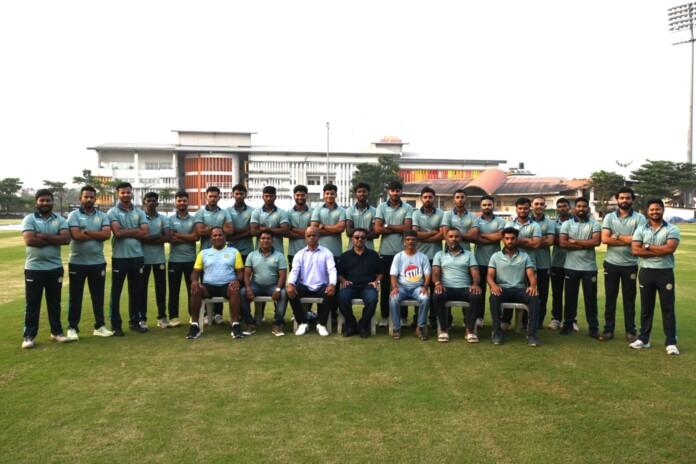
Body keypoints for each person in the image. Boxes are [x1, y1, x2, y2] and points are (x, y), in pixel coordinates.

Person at [21, 189, 71, 348]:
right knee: (32, 304)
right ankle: (29, 336)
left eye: (48, 200)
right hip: (34, 268)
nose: (45, 203)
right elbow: (30, 241)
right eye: (42, 200)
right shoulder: (29, 219)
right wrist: (54, 238)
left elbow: (66, 239)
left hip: (54, 268)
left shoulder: (60, 220)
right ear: (36, 202)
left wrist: (43, 235)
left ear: (52, 202)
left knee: (54, 303)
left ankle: (56, 332)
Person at [630, 198, 681, 355]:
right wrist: (659, 250)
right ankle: (644, 339)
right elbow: (635, 250)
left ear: (663, 210)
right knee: (646, 307)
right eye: (652, 209)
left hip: (664, 272)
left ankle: (671, 342)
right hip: (646, 272)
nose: (655, 212)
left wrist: (647, 246)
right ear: (647, 211)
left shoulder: (672, 229)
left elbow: (669, 249)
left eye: (658, 209)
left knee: (668, 308)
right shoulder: (640, 229)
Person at [66, 185, 113, 341]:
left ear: (95, 199)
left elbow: (106, 235)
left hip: (97, 262)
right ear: (80, 198)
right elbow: (76, 236)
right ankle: (72, 328)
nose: (89, 199)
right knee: (75, 297)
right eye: (86, 197)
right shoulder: (73, 215)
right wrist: (96, 234)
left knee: (98, 296)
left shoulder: (102, 216)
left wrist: (86, 231)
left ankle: (99, 326)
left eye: (92, 197)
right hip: (77, 262)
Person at [599, 187, 646, 342]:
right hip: (611, 264)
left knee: (629, 299)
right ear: (617, 199)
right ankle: (608, 330)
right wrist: (628, 239)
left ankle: (630, 331)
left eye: (628, 198)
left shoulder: (640, 218)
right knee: (610, 298)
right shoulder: (609, 217)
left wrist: (617, 236)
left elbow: (639, 240)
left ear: (632, 200)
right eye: (622, 198)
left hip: (630, 264)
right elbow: (605, 239)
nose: (624, 200)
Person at [187, 227, 244, 340]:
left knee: (234, 289)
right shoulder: (203, 253)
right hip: (208, 286)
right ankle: (194, 325)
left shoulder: (234, 252)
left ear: (225, 237)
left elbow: (240, 272)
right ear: (211, 238)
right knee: (195, 289)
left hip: (227, 285)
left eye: (220, 235)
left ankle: (235, 325)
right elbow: (195, 272)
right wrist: (194, 281)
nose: (217, 237)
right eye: (215, 235)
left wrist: (237, 281)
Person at [487, 227, 541, 346]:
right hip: (503, 289)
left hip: (520, 290)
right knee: (494, 297)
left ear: (517, 239)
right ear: (502, 240)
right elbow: (489, 276)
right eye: (507, 238)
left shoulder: (525, 256)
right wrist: (493, 285)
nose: (510, 241)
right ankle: (496, 333)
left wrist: (533, 286)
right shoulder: (495, 256)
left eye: (512, 238)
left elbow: (531, 274)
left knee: (534, 297)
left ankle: (532, 335)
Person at [107, 182, 149, 336]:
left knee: (136, 292)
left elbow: (145, 233)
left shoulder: (139, 212)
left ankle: (135, 322)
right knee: (116, 292)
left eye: (128, 192)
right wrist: (136, 230)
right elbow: (117, 233)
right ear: (118, 194)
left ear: (132, 193)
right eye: (122, 192)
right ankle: (116, 325)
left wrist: (127, 231)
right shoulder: (112, 212)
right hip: (120, 258)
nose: (126, 195)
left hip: (137, 257)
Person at [559, 197, 601, 338]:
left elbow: (596, 242)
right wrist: (584, 245)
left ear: (588, 208)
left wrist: (575, 241)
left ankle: (593, 328)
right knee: (570, 298)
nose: (581, 209)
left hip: (589, 267)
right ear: (574, 208)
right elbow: (563, 243)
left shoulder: (595, 224)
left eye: (584, 206)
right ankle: (568, 325)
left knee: (591, 299)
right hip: (571, 267)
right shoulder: (567, 224)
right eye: (579, 206)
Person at [432, 228, 483, 343]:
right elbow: (435, 272)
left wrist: (475, 284)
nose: (453, 239)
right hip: (446, 288)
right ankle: (444, 329)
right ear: (446, 238)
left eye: (456, 236)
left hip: (465, 288)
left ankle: (469, 330)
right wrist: (437, 283)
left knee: (476, 296)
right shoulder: (439, 254)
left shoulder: (469, 254)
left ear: (460, 238)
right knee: (437, 295)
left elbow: (475, 271)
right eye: (450, 236)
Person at [374, 180, 414, 328]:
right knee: (385, 286)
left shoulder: (408, 207)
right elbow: (377, 229)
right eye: (392, 190)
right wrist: (398, 228)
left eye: (398, 190)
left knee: (403, 284)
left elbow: (407, 228)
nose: (395, 193)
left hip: (403, 253)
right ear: (388, 192)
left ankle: (403, 317)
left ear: (401, 191)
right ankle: (385, 317)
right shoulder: (381, 207)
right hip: (385, 253)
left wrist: (388, 225)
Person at [286, 226, 337, 337]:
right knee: (290, 292)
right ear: (305, 238)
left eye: (314, 235)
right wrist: (290, 284)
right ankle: (302, 323)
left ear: (319, 237)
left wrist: (332, 284)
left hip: (322, 286)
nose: (311, 238)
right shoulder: (299, 254)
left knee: (331, 292)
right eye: (309, 236)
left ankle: (321, 324)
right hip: (304, 286)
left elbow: (332, 270)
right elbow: (294, 271)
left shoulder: (326, 253)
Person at [193, 186, 233, 324]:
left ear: (219, 197)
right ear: (206, 197)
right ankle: (206, 314)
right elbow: (199, 232)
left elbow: (230, 230)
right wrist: (219, 228)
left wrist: (209, 228)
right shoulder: (200, 213)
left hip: (222, 253)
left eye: (215, 196)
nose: (213, 199)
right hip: (206, 254)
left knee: (220, 280)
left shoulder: (225, 212)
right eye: (210, 196)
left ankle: (218, 314)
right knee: (206, 283)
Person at [502, 197, 541, 329]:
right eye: (520, 208)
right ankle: (506, 321)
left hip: (529, 265)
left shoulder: (535, 225)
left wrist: (517, 241)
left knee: (529, 293)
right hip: (511, 264)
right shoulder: (509, 224)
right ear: (516, 209)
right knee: (509, 289)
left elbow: (536, 244)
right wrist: (527, 240)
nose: (523, 210)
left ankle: (525, 323)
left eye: (525, 208)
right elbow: (507, 242)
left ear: (530, 209)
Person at [240, 231, 288, 337]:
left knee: (283, 293)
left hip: (273, 285)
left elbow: (283, 276)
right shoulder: (252, 255)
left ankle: (277, 324)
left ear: (272, 241)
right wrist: (248, 288)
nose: (265, 240)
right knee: (242, 292)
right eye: (262, 238)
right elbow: (246, 275)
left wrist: (278, 289)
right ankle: (250, 324)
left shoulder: (279, 256)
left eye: (268, 238)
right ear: (259, 241)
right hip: (256, 285)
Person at [337, 228, 382, 338]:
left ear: (366, 239)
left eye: (362, 237)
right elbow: (339, 273)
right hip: (350, 286)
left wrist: (376, 281)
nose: (359, 239)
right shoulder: (345, 256)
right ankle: (351, 324)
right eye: (357, 237)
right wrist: (343, 281)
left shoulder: (373, 255)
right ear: (352, 239)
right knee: (342, 297)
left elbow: (380, 273)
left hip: (368, 286)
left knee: (372, 299)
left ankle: (363, 325)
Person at [311, 183, 346, 322]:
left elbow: (340, 229)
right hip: (319, 253)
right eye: (327, 193)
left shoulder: (341, 210)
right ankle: (321, 313)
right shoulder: (317, 210)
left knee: (334, 284)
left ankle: (333, 313)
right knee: (320, 282)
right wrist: (332, 228)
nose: (329, 196)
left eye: (332, 193)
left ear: (336, 195)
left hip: (336, 253)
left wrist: (323, 226)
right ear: (323, 195)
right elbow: (314, 230)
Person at [389, 230, 431, 341]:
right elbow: (393, 275)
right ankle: (397, 328)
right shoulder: (398, 257)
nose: (410, 242)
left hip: (417, 288)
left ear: (417, 241)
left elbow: (427, 275)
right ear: (404, 241)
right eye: (408, 239)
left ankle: (420, 327)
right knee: (393, 298)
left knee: (425, 298)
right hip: (402, 288)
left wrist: (425, 287)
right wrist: (395, 288)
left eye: (413, 239)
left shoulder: (423, 257)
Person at [411, 186, 443, 328]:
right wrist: (433, 233)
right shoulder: (416, 214)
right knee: (419, 288)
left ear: (434, 198)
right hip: (420, 257)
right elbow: (415, 234)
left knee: (435, 288)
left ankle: (434, 318)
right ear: (421, 198)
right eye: (425, 197)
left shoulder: (441, 213)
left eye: (430, 197)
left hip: (436, 258)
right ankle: (417, 318)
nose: (428, 199)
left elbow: (443, 235)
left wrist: (424, 235)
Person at [473, 195, 505, 330]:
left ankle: (497, 319)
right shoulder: (475, 220)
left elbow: (500, 236)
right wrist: (492, 236)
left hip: (496, 263)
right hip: (479, 261)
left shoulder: (500, 221)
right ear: (481, 206)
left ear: (493, 206)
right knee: (479, 291)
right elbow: (475, 237)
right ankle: (478, 318)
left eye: (489, 204)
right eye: (484, 205)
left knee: (497, 291)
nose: (487, 207)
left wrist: (483, 236)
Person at [168, 191, 198, 327]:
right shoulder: (170, 219)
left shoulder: (194, 219)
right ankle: (173, 317)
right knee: (173, 290)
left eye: (184, 200)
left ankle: (193, 315)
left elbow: (196, 237)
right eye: (179, 201)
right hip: (174, 260)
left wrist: (178, 234)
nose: (182, 203)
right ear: (175, 202)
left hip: (191, 260)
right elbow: (171, 238)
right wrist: (188, 237)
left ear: (188, 202)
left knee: (192, 290)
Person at [141, 192, 170, 328]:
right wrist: (158, 236)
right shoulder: (140, 217)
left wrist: (148, 238)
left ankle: (162, 317)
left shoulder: (163, 218)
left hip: (159, 259)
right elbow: (140, 237)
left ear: (157, 203)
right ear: (144, 202)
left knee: (161, 289)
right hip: (143, 259)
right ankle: (142, 318)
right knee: (142, 290)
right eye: (149, 200)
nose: (151, 203)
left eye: (154, 201)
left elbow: (168, 237)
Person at [530, 196, 556, 329]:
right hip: (526, 264)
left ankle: (538, 322)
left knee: (542, 294)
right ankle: (525, 321)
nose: (539, 206)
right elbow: (517, 240)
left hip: (543, 264)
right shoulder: (525, 221)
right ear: (532, 206)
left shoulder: (550, 223)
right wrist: (541, 239)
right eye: (536, 203)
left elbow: (550, 241)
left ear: (545, 206)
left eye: (541, 204)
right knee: (526, 293)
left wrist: (531, 240)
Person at [548, 198, 572, 330]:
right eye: (560, 206)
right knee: (556, 293)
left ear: (569, 208)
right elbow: (552, 240)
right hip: (557, 262)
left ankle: (571, 320)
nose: (562, 208)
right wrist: (566, 240)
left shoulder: (575, 222)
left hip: (572, 263)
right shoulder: (552, 224)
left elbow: (577, 238)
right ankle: (556, 319)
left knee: (570, 293)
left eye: (564, 206)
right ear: (557, 209)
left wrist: (562, 240)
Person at [250, 185, 289, 253]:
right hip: (260, 252)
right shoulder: (256, 212)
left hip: (277, 251)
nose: (269, 198)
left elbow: (285, 231)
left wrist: (265, 229)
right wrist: (276, 229)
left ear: (275, 197)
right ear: (262, 197)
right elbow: (253, 232)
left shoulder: (282, 212)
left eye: (271, 196)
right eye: (266, 196)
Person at [226, 184, 255, 263]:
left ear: (245, 195)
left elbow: (252, 231)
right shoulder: (227, 211)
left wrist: (233, 237)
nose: (239, 196)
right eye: (236, 194)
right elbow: (229, 230)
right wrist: (246, 230)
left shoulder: (252, 211)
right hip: (231, 250)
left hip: (247, 250)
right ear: (232, 195)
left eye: (241, 194)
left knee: (246, 271)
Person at [287, 185, 313, 270]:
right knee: (294, 277)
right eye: (298, 195)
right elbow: (287, 233)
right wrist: (307, 234)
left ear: (307, 196)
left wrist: (293, 228)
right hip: (293, 252)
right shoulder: (288, 213)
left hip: (310, 252)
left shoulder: (313, 212)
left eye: (302, 195)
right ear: (294, 196)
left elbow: (313, 232)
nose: (300, 197)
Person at [345, 182, 378, 251]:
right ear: (355, 194)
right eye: (359, 192)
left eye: (364, 191)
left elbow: (375, 234)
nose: (362, 194)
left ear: (368, 193)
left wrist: (356, 234)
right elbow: (349, 232)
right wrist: (367, 232)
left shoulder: (375, 211)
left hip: (369, 250)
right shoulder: (349, 210)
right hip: (352, 250)